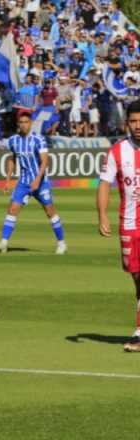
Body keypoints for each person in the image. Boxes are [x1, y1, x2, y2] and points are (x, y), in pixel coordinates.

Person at [0, 112, 67, 254]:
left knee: (50, 211)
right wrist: (7, 180)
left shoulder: (39, 139)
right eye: (21, 122)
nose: (23, 125)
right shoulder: (14, 140)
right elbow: (12, 159)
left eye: (26, 122)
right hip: (24, 182)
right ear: (18, 124)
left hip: (41, 182)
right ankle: (4, 242)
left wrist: (37, 179)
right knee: (12, 209)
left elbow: (45, 161)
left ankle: (61, 243)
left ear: (30, 123)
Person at [97, 101, 140, 353]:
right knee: (136, 277)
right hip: (130, 224)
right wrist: (102, 215)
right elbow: (104, 184)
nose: (137, 126)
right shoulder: (116, 151)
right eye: (133, 121)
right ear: (127, 124)